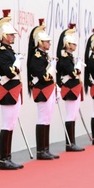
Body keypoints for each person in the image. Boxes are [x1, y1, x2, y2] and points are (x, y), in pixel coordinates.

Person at [0, 10, 25, 169]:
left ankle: (7, 157)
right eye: (10, 35)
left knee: (11, 124)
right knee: (7, 124)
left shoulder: (9, 51)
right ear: (3, 36)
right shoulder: (1, 53)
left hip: (14, 90)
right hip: (8, 90)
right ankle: (4, 159)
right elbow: (10, 73)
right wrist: (18, 62)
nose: (13, 37)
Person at [26, 19, 59, 160]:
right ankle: (41, 150)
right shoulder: (37, 57)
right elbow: (44, 76)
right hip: (42, 89)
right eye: (47, 41)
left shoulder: (44, 56)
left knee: (47, 118)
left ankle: (46, 148)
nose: (49, 43)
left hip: (48, 89)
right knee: (42, 118)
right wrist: (52, 66)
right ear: (40, 42)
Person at [56, 24, 85, 152]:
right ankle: (69, 143)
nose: (75, 46)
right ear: (67, 44)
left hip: (74, 88)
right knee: (70, 115)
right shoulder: (65, 59)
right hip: (70, 88)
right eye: (73, 44)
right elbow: (73, 73)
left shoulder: (69, 58)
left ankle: (72, 142)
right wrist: (78, 66)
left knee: (73, 115)